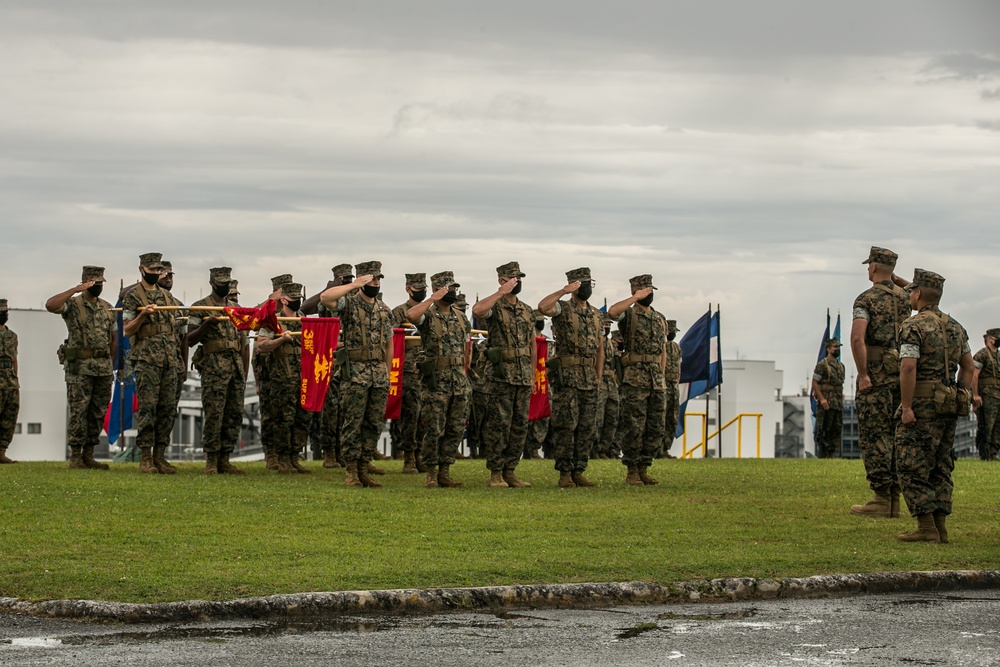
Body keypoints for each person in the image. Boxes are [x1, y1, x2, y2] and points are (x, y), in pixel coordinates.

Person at [895, 269, 973, 543]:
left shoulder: (913, 326)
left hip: (922, 402)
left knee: (909, 464)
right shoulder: (955, 326)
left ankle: (926, 528)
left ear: (917, 294)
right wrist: (959, 392)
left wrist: (906, 407)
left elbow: (907, 367)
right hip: (947, 404)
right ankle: (941, 529)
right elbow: (968, 367)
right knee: (940, 464)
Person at [320, 261, 393, 488]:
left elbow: (389, 343)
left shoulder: (384, 310)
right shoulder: (349, 304)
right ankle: (351, 471)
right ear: (362, 281)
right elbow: (325, 298)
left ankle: (364, 468)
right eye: (372, 279)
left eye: (379, 279)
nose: (376, 283)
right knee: (353, 422)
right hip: (356, 374)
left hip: (378, 373)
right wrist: (353, 286)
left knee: (373, 423)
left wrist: (387, 371)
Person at [849, 246, 910, 517]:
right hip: (900, 375)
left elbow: (857, 339)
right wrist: (897, 281)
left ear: (873, 267)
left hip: (875, 374)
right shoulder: (906, 298)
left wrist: (863, 375)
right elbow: (928, 294)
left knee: (875, 435)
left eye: (869, 265)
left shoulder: (866, 299)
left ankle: (881, 498)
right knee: (896, 435)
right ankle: (895, 499)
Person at [471, 261, 536, 488]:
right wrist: (501, 293)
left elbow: (531, 343)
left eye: (519, 278)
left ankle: (510, 470)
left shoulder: (527, 310)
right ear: (501, 280)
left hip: (522, 373)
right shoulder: (495, 306)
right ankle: (496, 473)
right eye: (512, 278)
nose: (517, 282)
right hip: (501, 374)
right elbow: (477, 311)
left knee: (519, 426)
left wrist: (533, 373)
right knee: (499, 424)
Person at [45, 266, 116, 470]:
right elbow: (51, 305)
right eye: (94, 283)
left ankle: (88, 454)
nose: (98, 286)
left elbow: (113, 340)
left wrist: (111, 365)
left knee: (97, 412)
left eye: (101, 283)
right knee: (79, 411)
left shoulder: (107, 307)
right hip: (81, 368)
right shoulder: (73, 305)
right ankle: (76, 456)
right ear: (85, 281)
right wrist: (75, 290)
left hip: (103, 368)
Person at [538, 268, 603, 488]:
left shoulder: (596, 313)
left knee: (587, 426)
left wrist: (599, 375)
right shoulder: (563, 308)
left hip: (589, 376)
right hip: (567, 375)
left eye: (588, 283)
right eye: (581, 283)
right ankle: (564, 472)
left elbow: (600, 348)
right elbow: (543, 307)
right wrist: (563, 291)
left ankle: (579, 470)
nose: (585, 287)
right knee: (566, 424)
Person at [406, 271, 471, 487]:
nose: (452, 292)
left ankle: (445, 470)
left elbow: (466, 347)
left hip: (458, 381)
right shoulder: (429, 314)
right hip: (436, 381)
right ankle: (431, 473)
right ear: (437, 290)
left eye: (454, 288)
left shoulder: (461, 316)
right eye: (447, 288)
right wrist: (432, 299)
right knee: (434, 428)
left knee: (454, 428)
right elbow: (411, 316)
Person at [121, 252, 183, 474]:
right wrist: (142, 316)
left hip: (168, 359)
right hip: (147, 359)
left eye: (159, 270)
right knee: (148, 408)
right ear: (142, 270)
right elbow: (127, 330)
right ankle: (146, 457)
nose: (157, 273)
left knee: (167, 408)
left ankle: (160, 455)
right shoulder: (134, 296)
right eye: (153, 270)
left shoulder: (167, 297)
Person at [188, 267, 249, 475]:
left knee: (234, 413)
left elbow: (242, 341)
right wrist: (207, 324)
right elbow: (189, 339)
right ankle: (212, 459)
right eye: (221, 284)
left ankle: (225, 458)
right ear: (213, 283)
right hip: (214, 368)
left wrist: (242, 367)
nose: (224, 287)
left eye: (227, 283)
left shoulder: (235, 308)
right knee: (214, 413)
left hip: (234, 367)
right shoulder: (200, 307)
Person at [608, 274, 667, 486]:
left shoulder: (659, 318)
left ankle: (644, 467)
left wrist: (661, 375)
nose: (648, 294)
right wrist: (634, 298)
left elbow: (663, 351)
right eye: (644, 291)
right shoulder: (629, 314)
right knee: (634, 425)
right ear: (635, 291)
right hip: (635, 379)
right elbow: (613, 312)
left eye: (650, 290)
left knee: (655, 426)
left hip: (656, 380)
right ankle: (632, 470)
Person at [255, 282, 312, 474]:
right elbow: (261, 345)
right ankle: (282, 458)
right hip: (282, 380)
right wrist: (281, 339)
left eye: (298, 299)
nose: (296, 303)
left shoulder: (305, 321)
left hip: (303, 379)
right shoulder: (274, 320)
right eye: (293, 299)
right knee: (283, 420)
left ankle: (294, 456)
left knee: (302, 419)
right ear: (284, 299)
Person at [313, 264, 353, 468]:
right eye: (344, 280)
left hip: (350, 360)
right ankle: (329, 452)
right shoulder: (328, 301)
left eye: (349, 279)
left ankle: (343, 451)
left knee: (347, 409)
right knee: (331, 409)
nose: (348, 283)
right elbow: (323, 332)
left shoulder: (354, 302)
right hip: (331, 359)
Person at [253, 273, 293, 470]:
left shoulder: (290, 313)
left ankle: (285, 455)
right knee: (269, 413)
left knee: (284, 415)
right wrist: (271, 299)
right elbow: (254, 317)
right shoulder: (267, 309)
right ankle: (271, 454)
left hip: (285, 369)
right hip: (266, 368)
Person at [392, 273, 428, 474]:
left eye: (423, 288)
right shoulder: (399, 312)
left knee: (425, 416)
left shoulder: (429, 311)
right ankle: (408, 457)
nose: (421, 292)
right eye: (417, 288)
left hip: (427, 372)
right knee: (410, 416)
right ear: (408, 289)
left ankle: (421, 455)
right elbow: (393, 340)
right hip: (408, 371)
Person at [157, 261, 189, 404]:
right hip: (152, 363)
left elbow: (184, 338)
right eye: (164, 276)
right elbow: (122, 295)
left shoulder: (179, 306)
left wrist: (184, 368)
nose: (168, 279)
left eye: (170, 276)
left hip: (175, 365)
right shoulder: (143, 300)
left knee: (169, 411)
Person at [811, 338, 846, 458]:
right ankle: (823, 455)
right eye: (835, 347)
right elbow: (815, 383)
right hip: (826, 402)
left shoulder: (841, 366)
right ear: (829, 349)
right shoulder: (822, 365)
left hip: (837, 403)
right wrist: (822, 399)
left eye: (838, 347)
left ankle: (832, 455)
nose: (837, 350)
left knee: (836, 429)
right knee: (824, 430)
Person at [592, 317, 620, 460]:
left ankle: (605, 448)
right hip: (600, 381)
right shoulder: (595, 342)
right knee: (598, 417)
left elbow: (616, 364)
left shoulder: (612, 344)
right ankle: (594, 449)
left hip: (611, 383)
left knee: (612, 417)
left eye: (609, 324)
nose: (607, 327)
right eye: (604, 324)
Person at [524, 310, 550, 460]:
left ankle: (535, 448)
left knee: (542, 416)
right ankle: (526, 448)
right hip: (529, 380)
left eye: (542, 319)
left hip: (544, 383)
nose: (540, 322)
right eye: (538, 319)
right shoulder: (529, 340)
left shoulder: (546, 342)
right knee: (527, 415)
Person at [971, 328, 1000, 461]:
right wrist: (975, 396)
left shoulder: (998, 355)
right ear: (990, 339)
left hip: (998, 394)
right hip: (987, 396)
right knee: (987, 425)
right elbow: (974, 376)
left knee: (997, 426)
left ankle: (993, 453)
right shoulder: (981, 355)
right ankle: (985, 454)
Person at [0, 299, 19, 464]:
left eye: (5, 312)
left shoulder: (12, 336)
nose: (4, 315)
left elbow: (14, 359)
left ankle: (1, 452)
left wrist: (15, 378)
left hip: (10, 382)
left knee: (9, 416)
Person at [662, 319, 682, 458]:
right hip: (663, 383)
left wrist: (677, 380)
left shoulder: (676, 347)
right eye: (670, 331)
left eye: (674, 332)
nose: (672, 334)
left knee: (672, 418)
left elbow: (679, 366)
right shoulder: (660, 345)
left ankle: (665, 448)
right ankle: (655, 449)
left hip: (674, 384)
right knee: (660, 417)